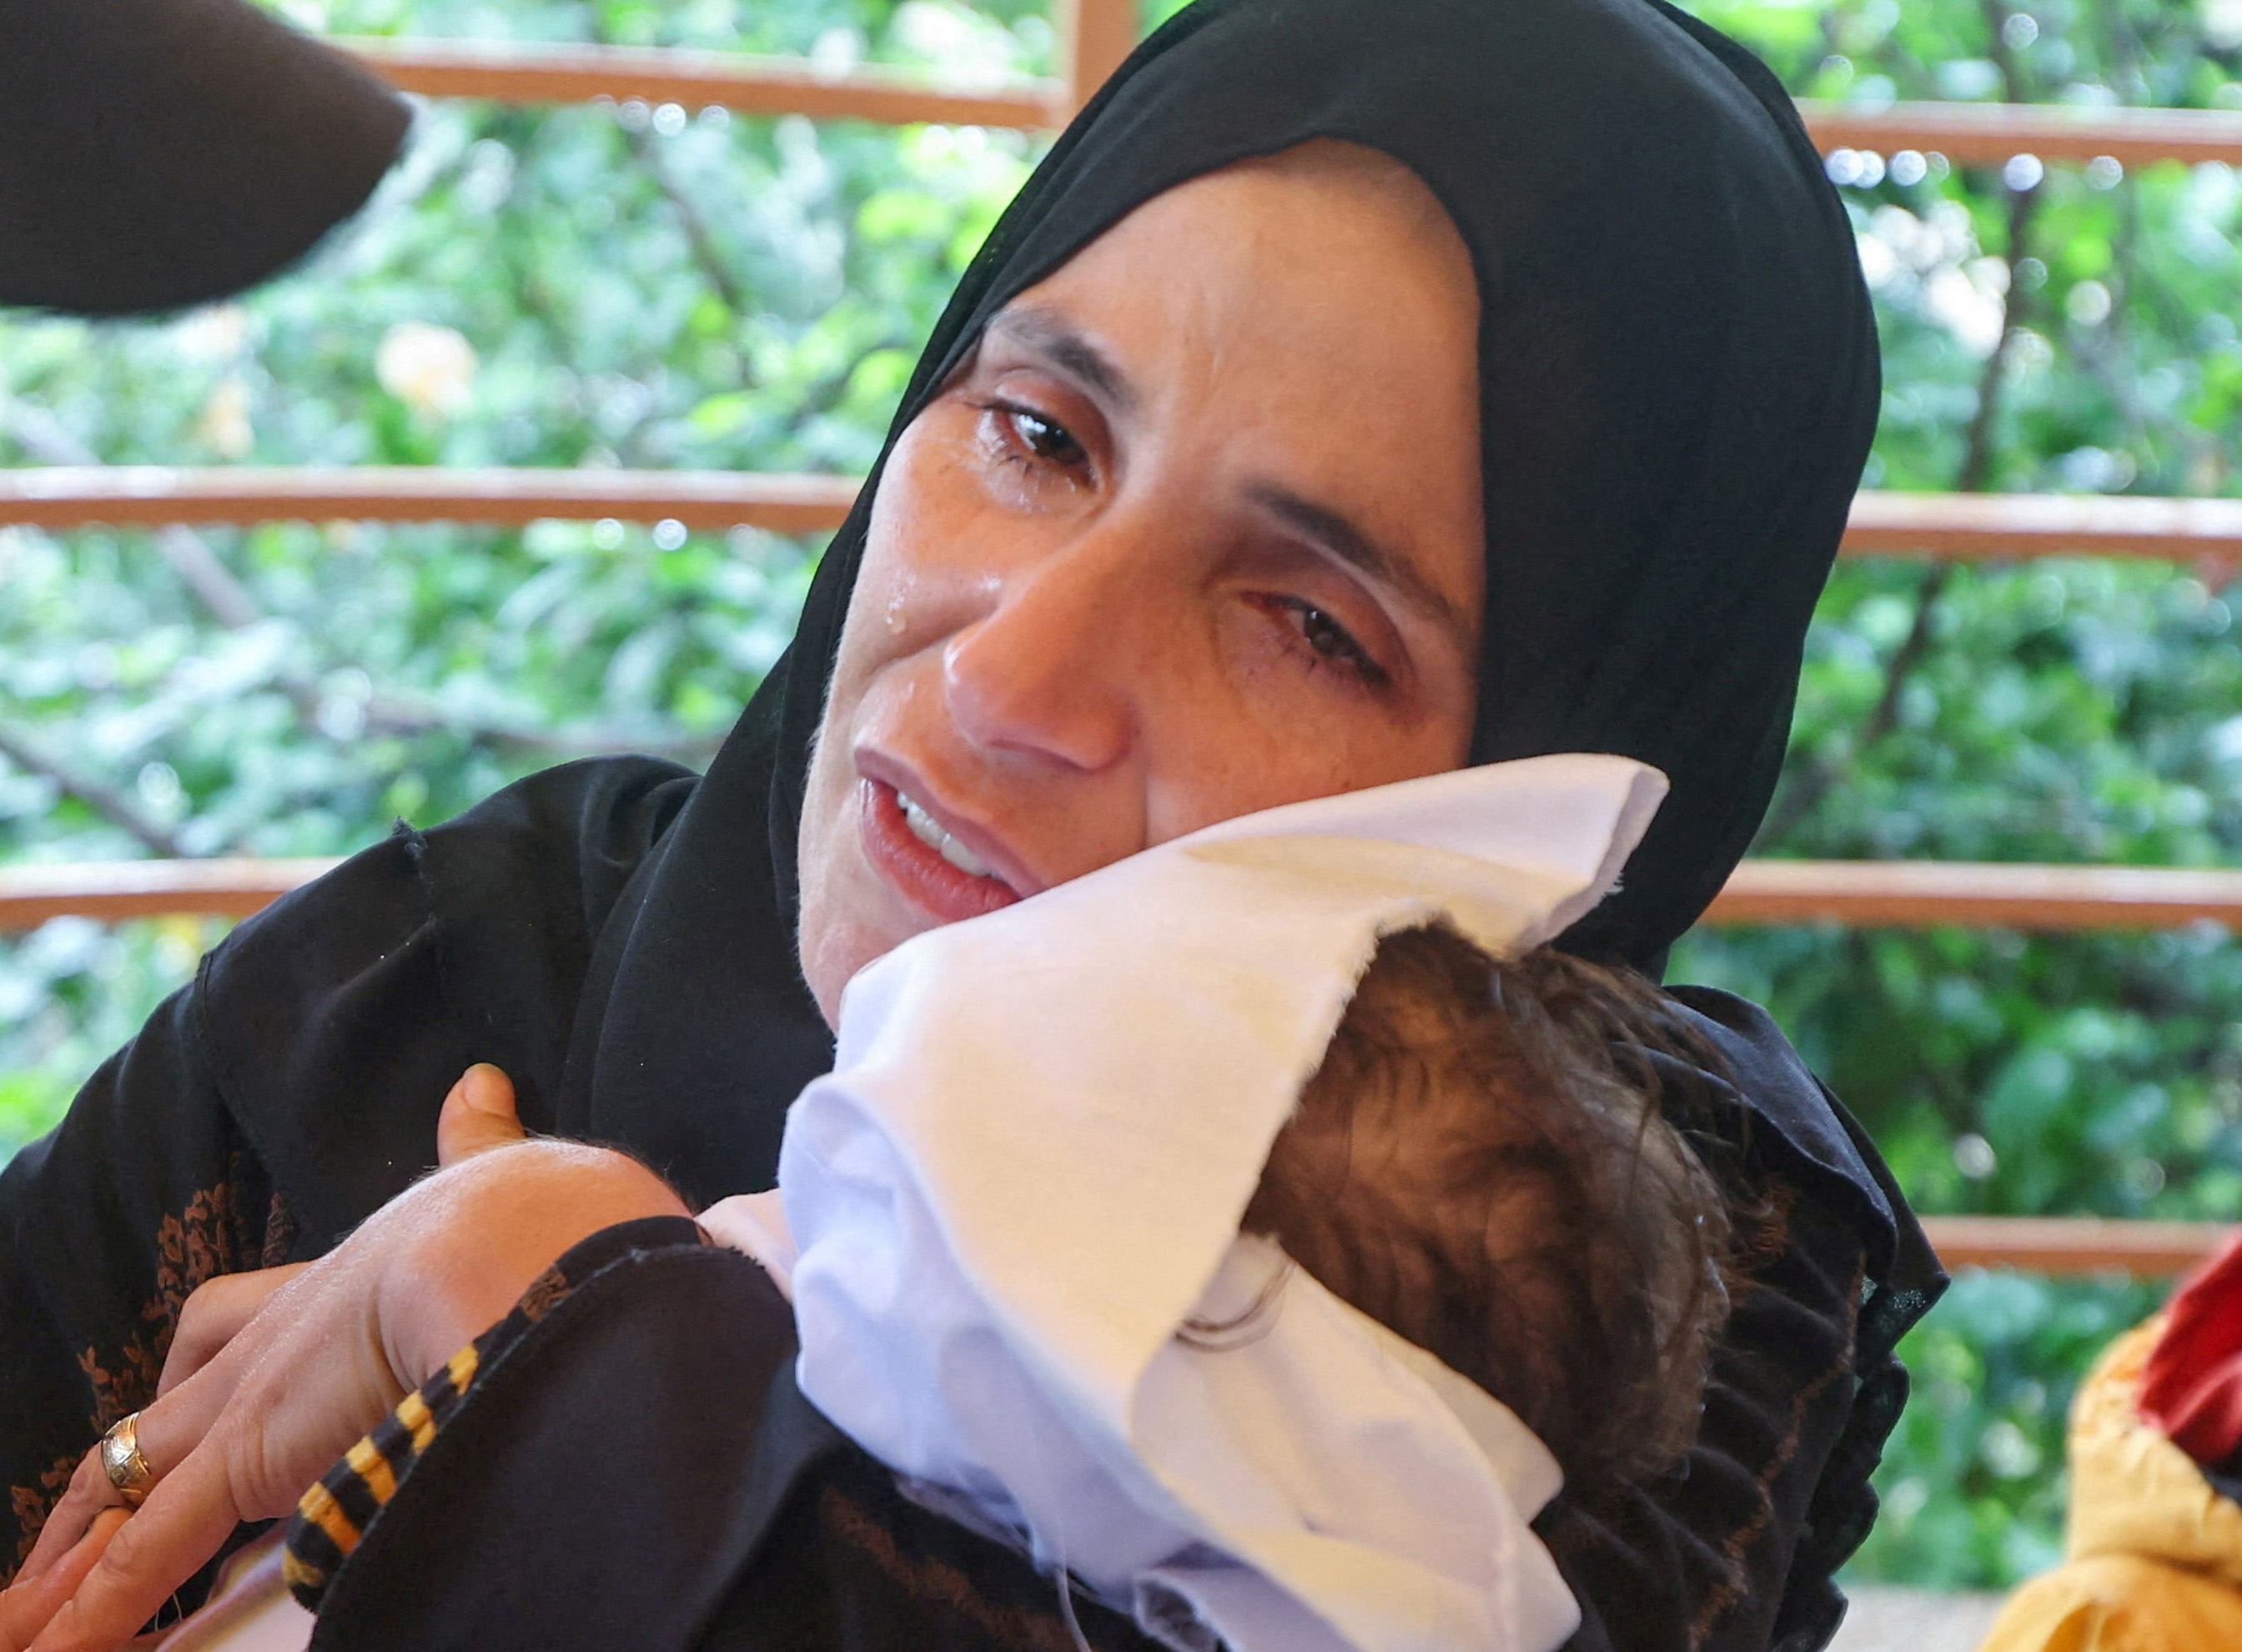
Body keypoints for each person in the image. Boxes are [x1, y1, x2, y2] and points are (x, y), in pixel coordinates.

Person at [0, 0, 1946, 1647]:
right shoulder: (417, 989)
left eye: (1310, 623)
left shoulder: (1595, 1260)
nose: (1013, 680)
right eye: (1038, 436)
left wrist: (561, 1318)